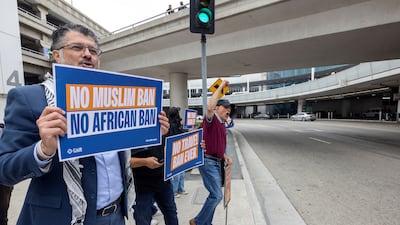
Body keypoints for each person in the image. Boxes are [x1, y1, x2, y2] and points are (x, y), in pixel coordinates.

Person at [0, 23, 170, 225]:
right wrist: (43, 150)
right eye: (77, 48)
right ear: (56, 55)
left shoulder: (112, 97)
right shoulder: (29, 98)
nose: (88, 54)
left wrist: (149, 131)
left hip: (117, 215)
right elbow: (4, 170)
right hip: (66, 218)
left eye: (93, 50)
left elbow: (115, 147)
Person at [189, 80, 233, 225]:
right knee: (216, 195)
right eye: (225, 108)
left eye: (229, 110)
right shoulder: (212, 119)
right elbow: (209, 106)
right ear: (217, 108)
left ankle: (206, 222)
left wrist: (225, 156)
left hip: (217, 162)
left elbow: (218, 144)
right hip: (208, 161)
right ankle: (198, 221)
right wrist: (221, 86)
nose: (228, 111)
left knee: (215, 195)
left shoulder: (222, 124)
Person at [130, 143, 179, 225]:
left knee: (171, 212)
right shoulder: (130, 134)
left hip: (163, 180)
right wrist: (144, 162)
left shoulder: (163, 131)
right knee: (143, 219)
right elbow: (123, 161)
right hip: (141, 185)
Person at [167, 107, 188, 198]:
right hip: (175, 149)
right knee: (177, 173)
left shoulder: (175, 124)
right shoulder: (172, 125)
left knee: (181, 171)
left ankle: (180, 189)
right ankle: (174, 191)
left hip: (179, 149)